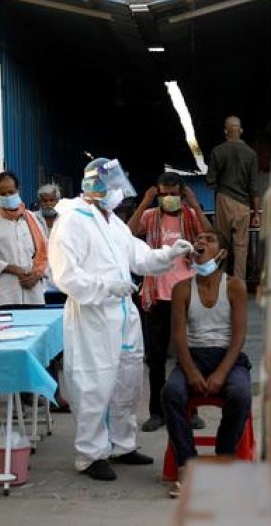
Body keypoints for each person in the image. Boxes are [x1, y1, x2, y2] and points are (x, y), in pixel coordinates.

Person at [48, 157, 193, 482]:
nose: (120, 194)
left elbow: (138, 256)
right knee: (95, 383)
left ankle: (122, 445)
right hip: (93, 314)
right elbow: (65, 275)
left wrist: (168, 254)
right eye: (115, 187)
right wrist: (106, 286)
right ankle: (91, 453)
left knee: (127, 380)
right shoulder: (72, 220)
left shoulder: (112, 221)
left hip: (123, 311)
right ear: (98, 188)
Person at [161, 231, 251, 498]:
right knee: (172, 393)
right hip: (193, 356)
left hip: (228, 358)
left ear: (221, 253)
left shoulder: (235, 286)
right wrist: (190, 371)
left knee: (240, 393)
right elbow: (178, 336)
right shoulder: (182, 288)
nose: (201, 243)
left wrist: (222, 372)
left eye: (210, 239)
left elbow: (239, 336)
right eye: (198, 239)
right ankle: (187, 465)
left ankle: (225, 457)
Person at [127, 172, 212, 433]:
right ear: (158, 193)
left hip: (187, 294)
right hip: (157, 295)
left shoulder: (190, 216)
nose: (169, 199)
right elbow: (128, 233)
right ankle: (156, 412)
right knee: (156, 358)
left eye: (174, 194)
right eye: (164, 194)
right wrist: (144, 202)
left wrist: (195, 204)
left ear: (181, 192)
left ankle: (191, 409)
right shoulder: (150, 216)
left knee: (189, 356)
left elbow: (209, 235)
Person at [0, 171, 48, 309]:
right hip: (7, 295)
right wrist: (15, 270)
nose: (7, 196)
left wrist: (36, 276)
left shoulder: (33, 218)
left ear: (18, 190)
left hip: (34, 294)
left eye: (11, 192)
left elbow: (45, 254)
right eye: (2, 194)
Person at [205, 115, 261, 281]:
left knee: (221, 244)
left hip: (223, 200)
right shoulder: (251, 154)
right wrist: (256, 213)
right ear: (241, 131)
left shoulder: (218, 151)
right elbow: (254, 188)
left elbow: (210, 182)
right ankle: (239, 286)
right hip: (243, 205)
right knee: (241, 248)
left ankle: (219, 282)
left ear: (225, 132)